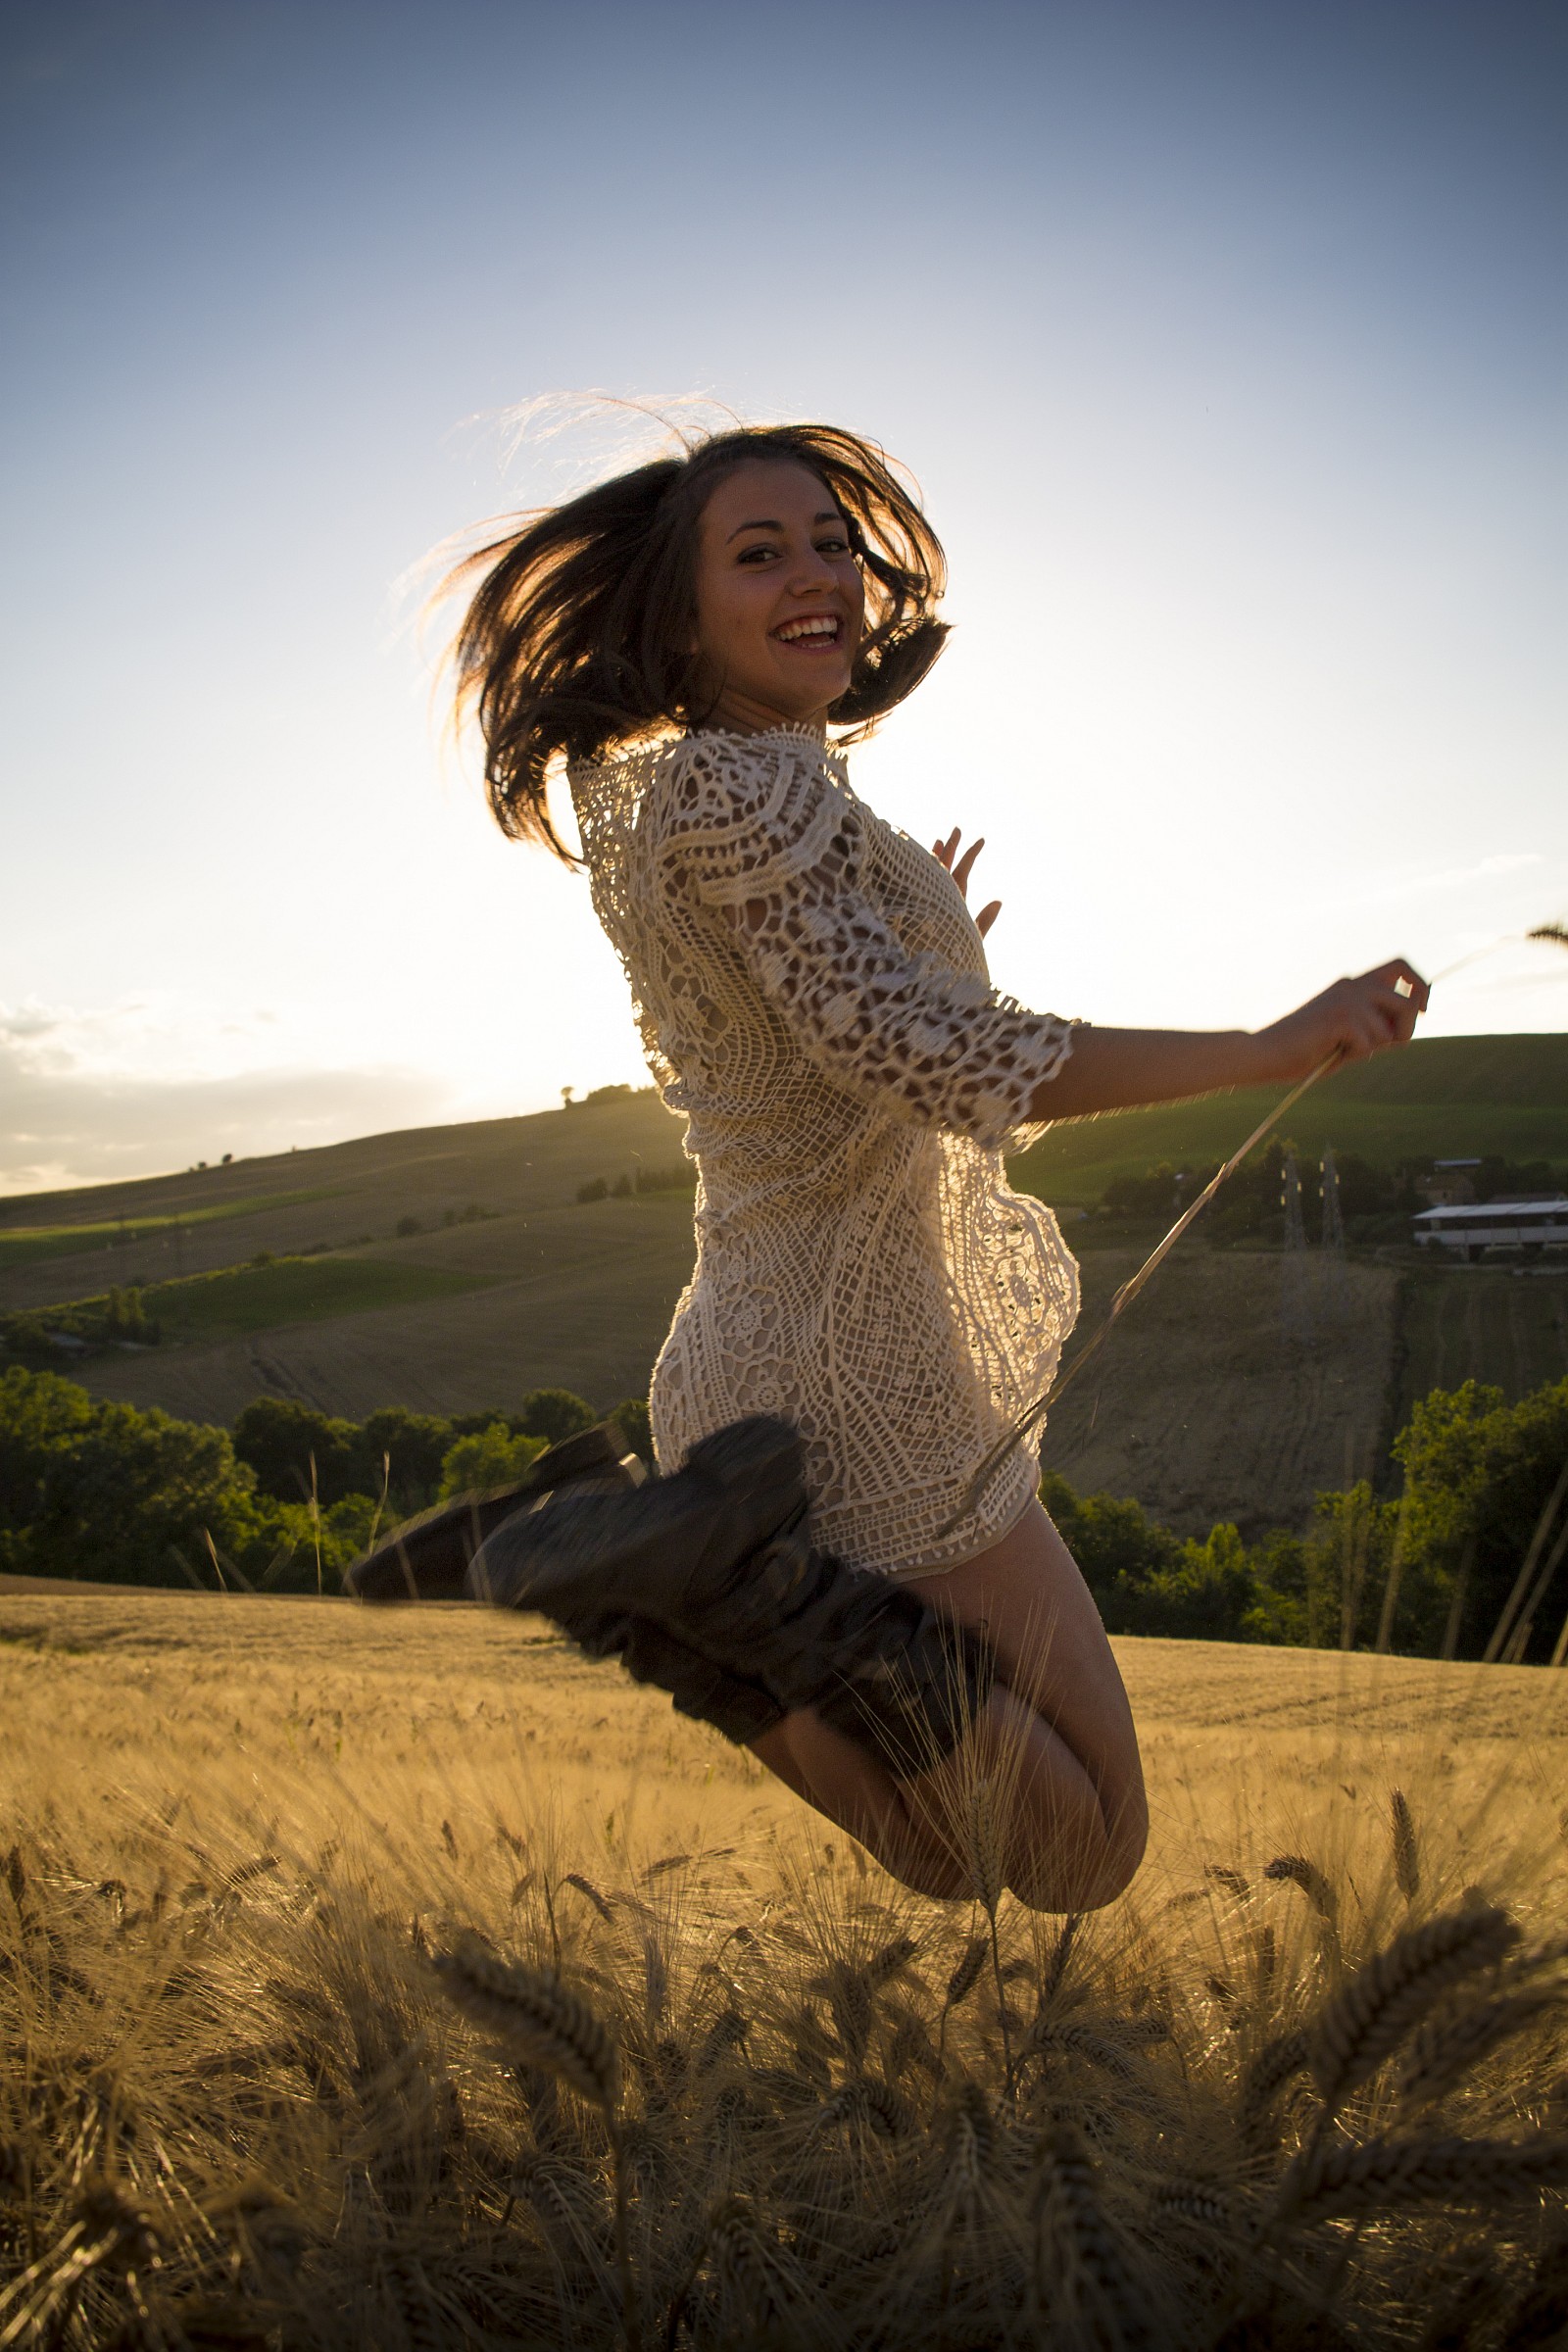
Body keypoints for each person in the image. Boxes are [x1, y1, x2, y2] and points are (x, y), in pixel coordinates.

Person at [378, 423, 1426, 1910]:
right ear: (683, 620)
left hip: (759, 1374)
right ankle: (730, 1593)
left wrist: (932, 947)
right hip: (854, 1378)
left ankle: (671, 1598)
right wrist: (1271, 1042)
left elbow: (878, 1050)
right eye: (760, 554)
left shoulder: (743, 800)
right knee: (1080, 1852)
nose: (819, 575)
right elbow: (926, 1059)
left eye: (832, 542)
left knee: (953, 1859)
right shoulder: (742, 794)